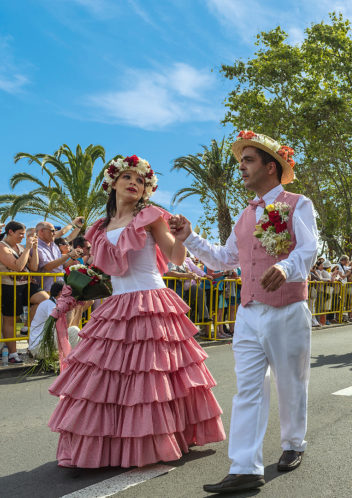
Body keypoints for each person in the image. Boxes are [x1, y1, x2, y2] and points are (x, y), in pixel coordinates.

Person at [48, 154, 226, 468]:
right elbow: (99, 272)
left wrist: (183, 238)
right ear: (112, 182)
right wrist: (71, 293)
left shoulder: (151, 216)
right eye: (127, 177)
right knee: (102, 379)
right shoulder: (99, 228)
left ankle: (152, 444)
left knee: (150, 379)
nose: (134, 183)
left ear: (146, 189)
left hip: (150, 301)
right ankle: (102, 449)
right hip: (116, 305)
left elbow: (172, 254)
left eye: (140, 180)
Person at [170, 131, 318, 494]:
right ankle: (245, 467)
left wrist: (286, 267)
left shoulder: (297, 203)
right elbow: (224, 259)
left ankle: (293, 443)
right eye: (241, 162)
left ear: (271, 166)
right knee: (247, 389)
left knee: (290, 382)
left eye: (248, 160)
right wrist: (190, 237)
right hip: (249, 311)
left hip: (287, 306)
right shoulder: (244, 215)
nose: (242, 167)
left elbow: (310, 249)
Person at [0, 221, 49, 364]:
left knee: (44, 299)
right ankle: (12, 353)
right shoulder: (2, 247)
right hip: (9, 285)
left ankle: (28, 327)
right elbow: (17, 266)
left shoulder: (21, 247)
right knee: (10, 319)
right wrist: (27, 248)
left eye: (24, 233)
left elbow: (33, 267)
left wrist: (34, 248)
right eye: (20, 233)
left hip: (26, 283)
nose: (23, 236)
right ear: (10, 232)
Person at [35, 221, 83, 292]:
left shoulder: (54, 245)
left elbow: (61, 266)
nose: (54, 233)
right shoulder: (36, 247)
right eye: (52, 231)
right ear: (41, 231)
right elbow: (48, 266)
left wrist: (73, 258)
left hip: (61, 284)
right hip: (48, 288)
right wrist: (69, 255)